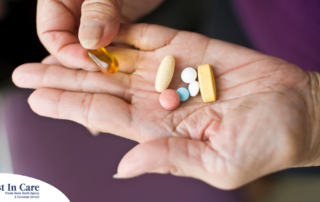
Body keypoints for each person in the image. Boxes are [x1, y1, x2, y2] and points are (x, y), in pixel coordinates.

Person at [11, 0, 320, 190]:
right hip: (251, 20)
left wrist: (314, 113)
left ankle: (270, 178)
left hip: (292, 79)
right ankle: (264, 180)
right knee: (250, 143)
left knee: (270, 148)